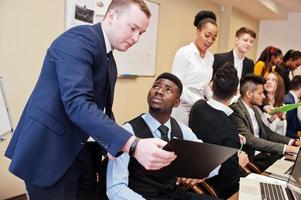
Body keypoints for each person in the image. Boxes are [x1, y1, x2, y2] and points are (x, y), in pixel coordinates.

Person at [5, 1, 176, 199]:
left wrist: (115, 146)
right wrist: (133, 145)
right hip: (50, 151)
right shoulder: (77, 41)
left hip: (81, 152)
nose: (136, 38)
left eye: (141, 33)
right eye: (133, 28)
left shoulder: (109, 60)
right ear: (111, 16)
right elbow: (78, 103)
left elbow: (102, 111)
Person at [106, 73, 221, 200]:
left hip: (174, 195)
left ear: (177, 102)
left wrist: (201, 172)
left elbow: (213, 162)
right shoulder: (127, 131)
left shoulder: (183, 131)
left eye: (168, 89)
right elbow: (115, 188)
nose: (159, 91)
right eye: (156, 86)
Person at [189, 62, 249, 199]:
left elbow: (210, 131)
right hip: (216, 189)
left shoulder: (198, 107)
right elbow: (230, 181)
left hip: (196, 181)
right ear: (236, 92)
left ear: (212, 86)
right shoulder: (228, 130)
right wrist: (239, 163)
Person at [230, 74, 300, 171]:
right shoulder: (236, 111)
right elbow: (251, 140)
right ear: (249, 94)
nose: (263, 96)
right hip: (251, 160)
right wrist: (288, 148)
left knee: (293, 166)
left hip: (263, 155)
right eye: (260, 93)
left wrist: (293, 142)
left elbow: (267, 133)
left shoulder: (254, 108)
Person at [171, 10, 218, 125]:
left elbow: (204, 85)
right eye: (207, 35)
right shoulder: (184, 53)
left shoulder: (210, 57)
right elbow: (177, 85)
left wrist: (214, 99)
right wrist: (199, 101)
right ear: (198, 31)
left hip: (200, 106)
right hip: (181, 104)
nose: (210, 41)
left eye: (214, 38)